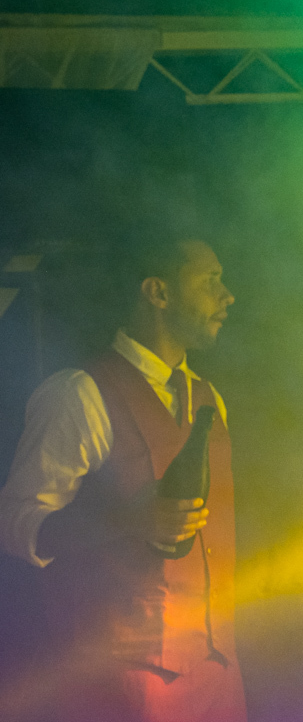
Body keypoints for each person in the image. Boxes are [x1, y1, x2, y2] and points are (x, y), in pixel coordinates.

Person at [0, 231, 244, 722]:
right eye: (210, 281)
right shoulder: (79, 393)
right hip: (124, 685)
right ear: (158, 293)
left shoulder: (209, 398)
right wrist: (126, 520)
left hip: (219, 672)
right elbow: (13, 523)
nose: (228, 295)